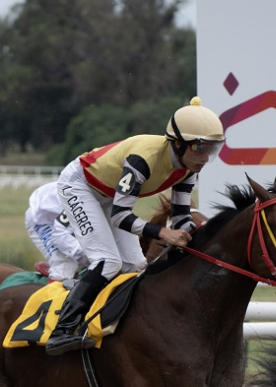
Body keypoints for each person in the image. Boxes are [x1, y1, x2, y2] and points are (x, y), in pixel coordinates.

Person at [46, 96, 225, 355]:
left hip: (110, 194)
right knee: (108, 262)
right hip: (80, 185)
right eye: (200, 148)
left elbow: (181, 219)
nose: (206, 157)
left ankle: (114, 326)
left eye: (212, 149)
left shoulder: (189, 168)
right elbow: (121, 216)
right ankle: (61, 330)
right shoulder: (144, 158)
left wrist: (207, 237)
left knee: (136, 266)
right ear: (178, 144)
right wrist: (163, 233)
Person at [24, 181, 89, 282]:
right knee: (65, 264)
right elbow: (60, 236)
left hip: (70, 223)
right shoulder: (80, 198)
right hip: (43, 220)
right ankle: (55, 284)